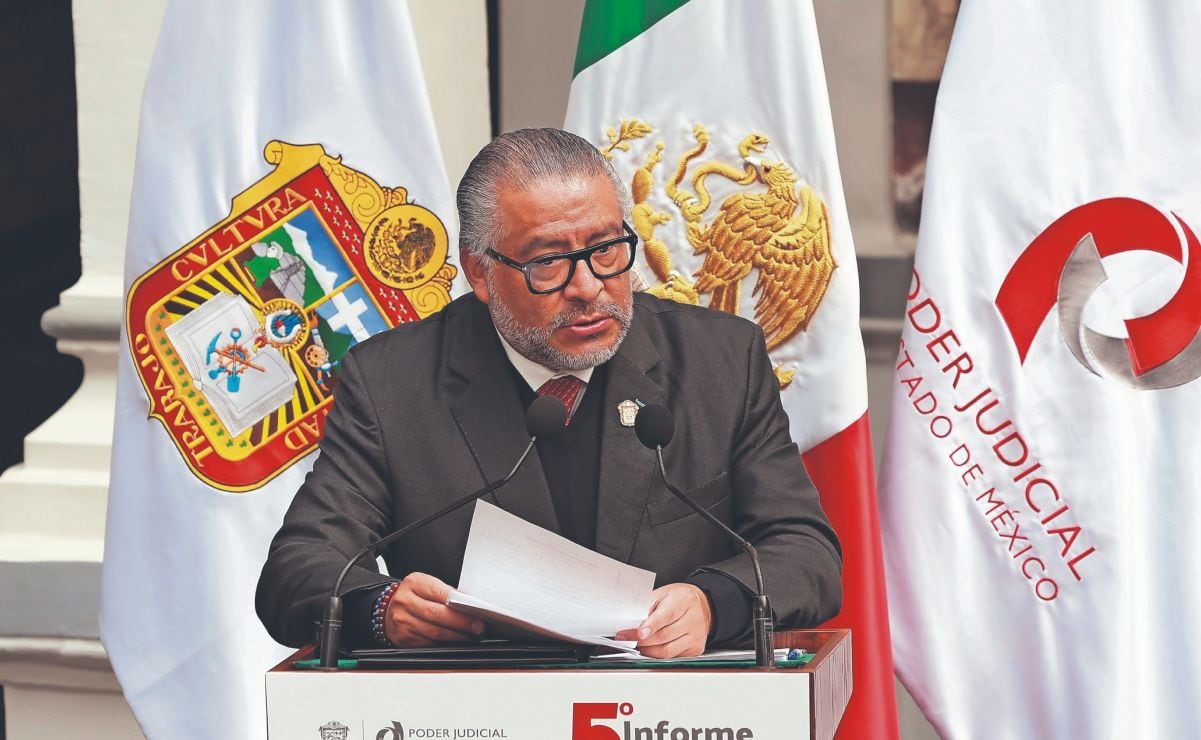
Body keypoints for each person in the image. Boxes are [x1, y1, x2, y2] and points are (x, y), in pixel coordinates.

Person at [255, 128, 842, 658]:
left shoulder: (720, 360)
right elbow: (297, 568)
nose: (588, 287)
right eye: (549, 262)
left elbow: (806, 552)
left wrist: (715, 603)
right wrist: (380, 610)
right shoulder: (391, 381)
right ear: (480, 274)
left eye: (606, 249)